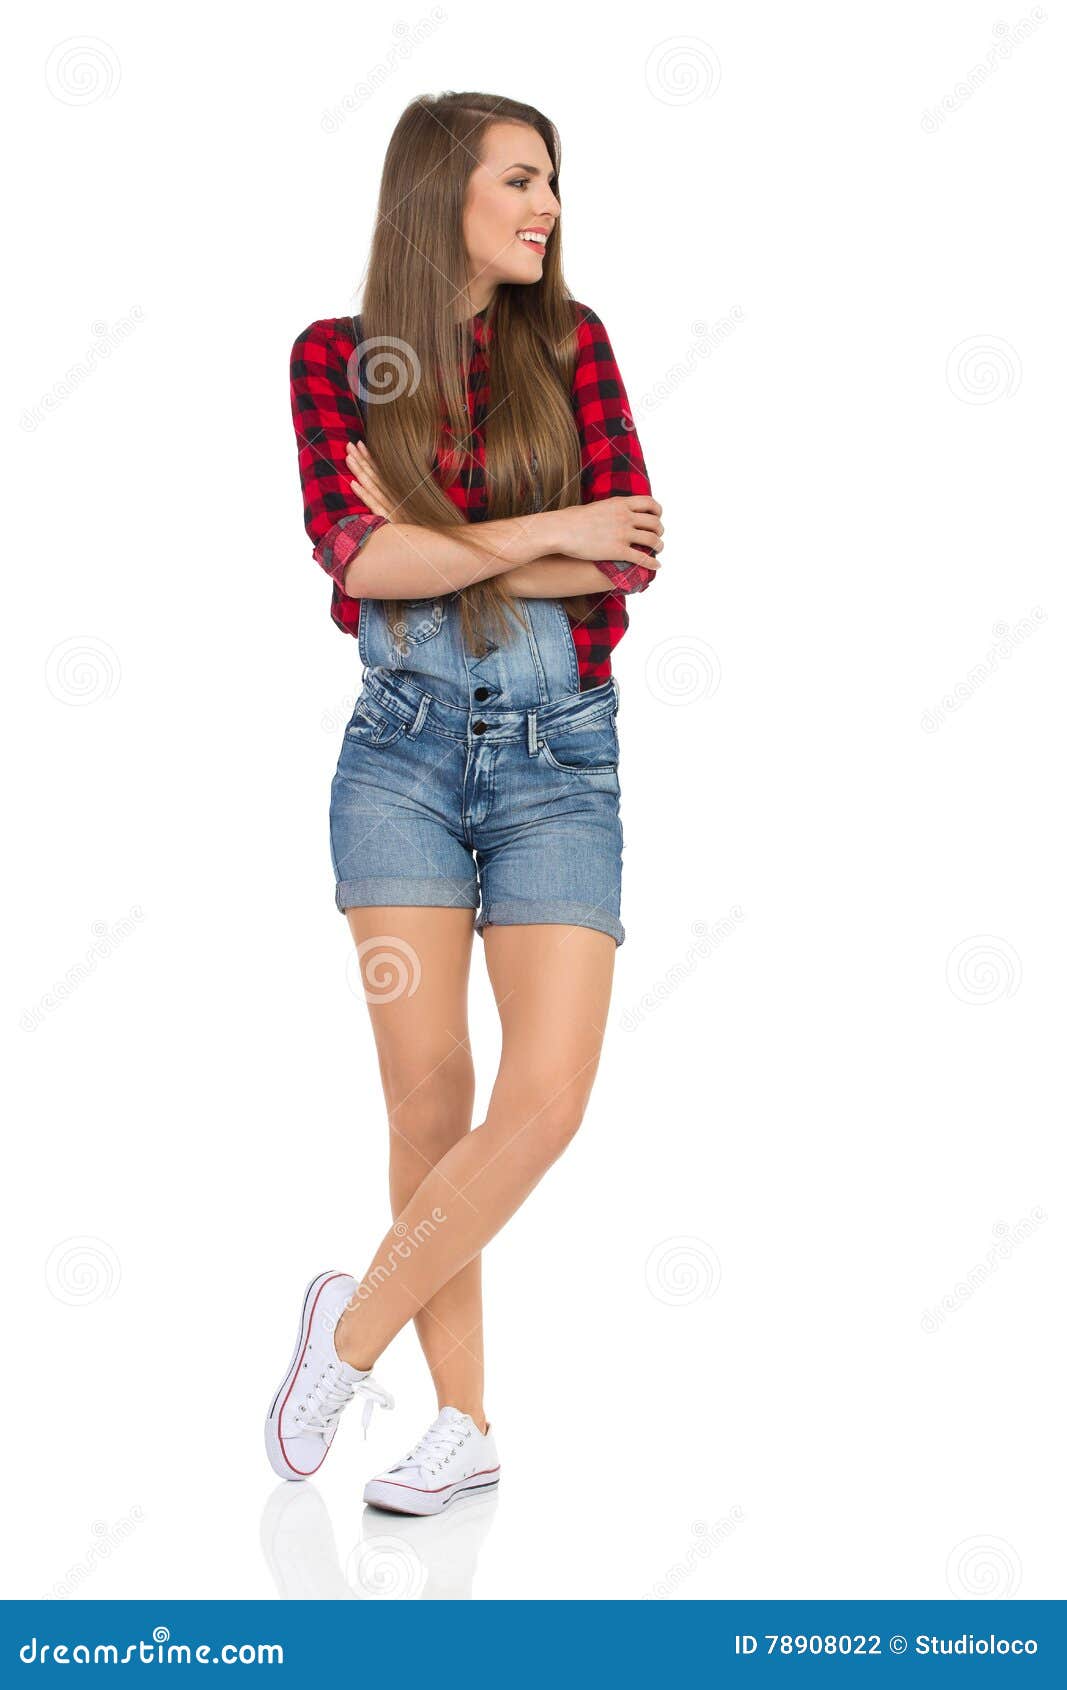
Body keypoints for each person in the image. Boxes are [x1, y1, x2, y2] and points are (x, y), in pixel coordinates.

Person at [266, 91, 664, 1516]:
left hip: (562, 758)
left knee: (543, 1099)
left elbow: (628, 554)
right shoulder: (335, 358)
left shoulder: (576, 344)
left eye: (552, 180)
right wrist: (541, 528)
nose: (546, 204)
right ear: (443, 191)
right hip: (404, 759)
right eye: (519, 178)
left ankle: (348, 1332)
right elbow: (353, 562)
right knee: (429, 1099)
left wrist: (440, 539)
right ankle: (466, 1424)